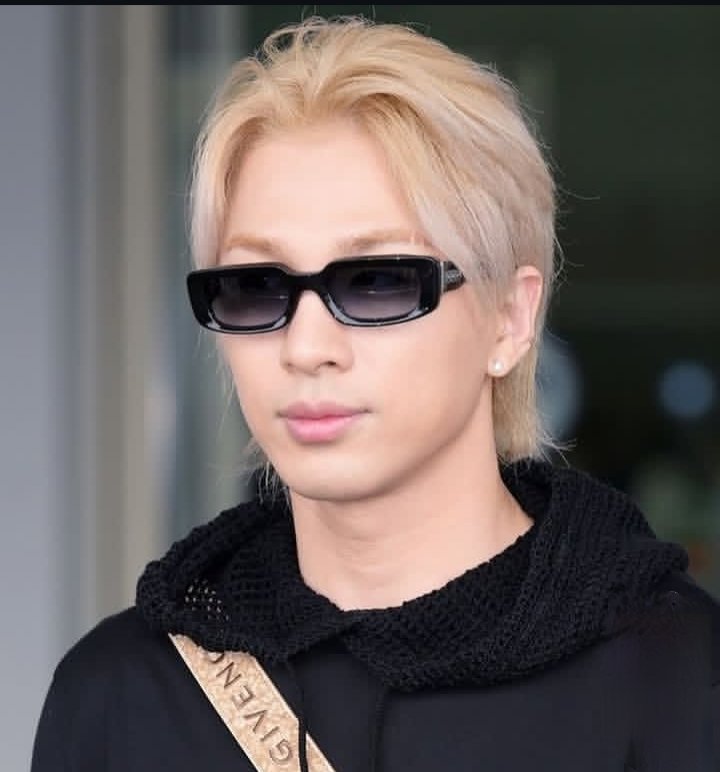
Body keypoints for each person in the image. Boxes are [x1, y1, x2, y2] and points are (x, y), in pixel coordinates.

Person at [31, 15, 719, 772]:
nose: (306, 348)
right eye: (256, 287)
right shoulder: (122, 695)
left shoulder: (677, 679)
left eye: (379, 282)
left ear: (510, 317)